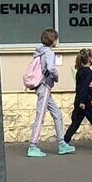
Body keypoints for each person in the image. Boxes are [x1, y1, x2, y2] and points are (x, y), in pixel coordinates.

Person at [27, 28, 73, 157]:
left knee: (57, 114)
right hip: (45, 86)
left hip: (42, 86)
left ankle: (62, 143)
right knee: (40, 116)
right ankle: (32, 146)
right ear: (53, 40)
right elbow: (51, 68)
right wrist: (56, 77)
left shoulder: (39, 52)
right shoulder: (49, 53)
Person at [63, 49, 92, 148]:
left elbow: (86, 87)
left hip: (79, 99)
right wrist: (83, 101)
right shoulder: (88, 72)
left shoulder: (79, 72)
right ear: (89, 59)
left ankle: (65, 140)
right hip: (86, 101)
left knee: (76, 122)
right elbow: (85, 87)